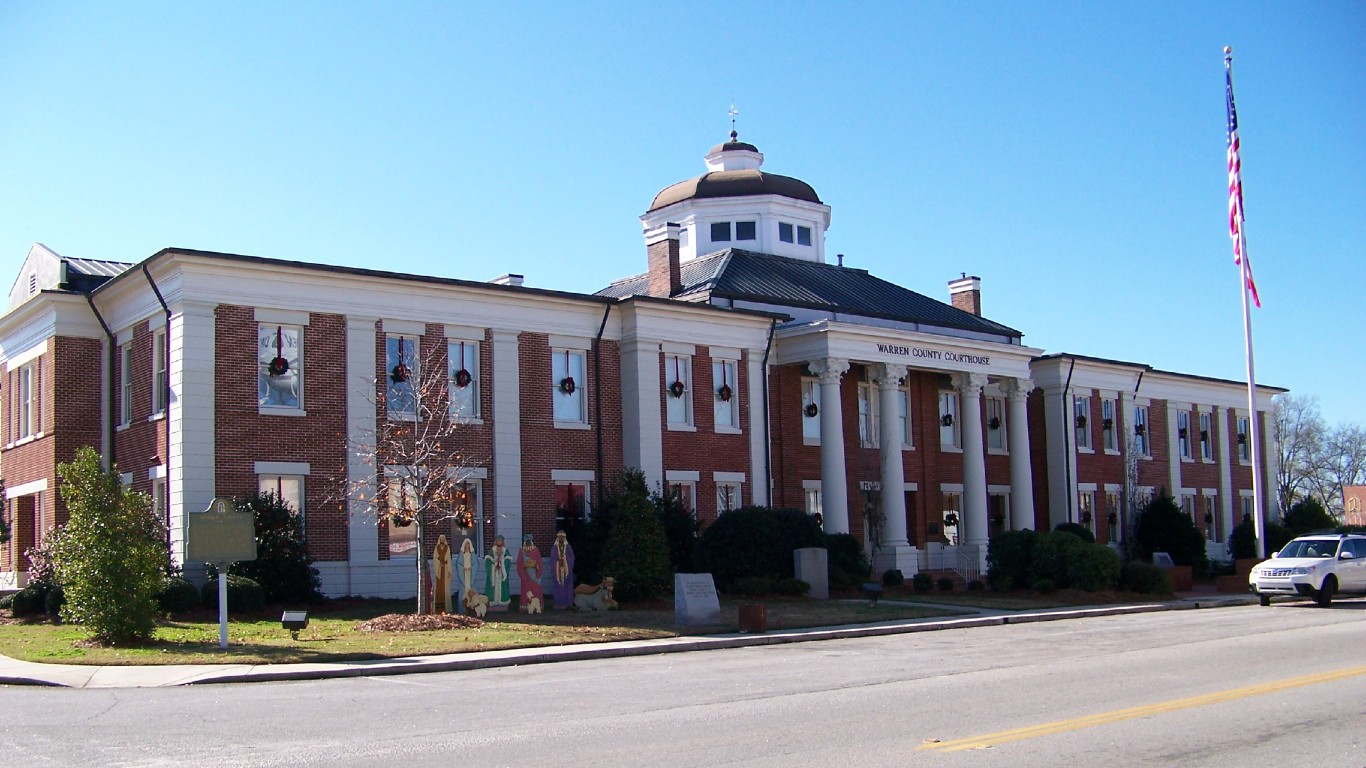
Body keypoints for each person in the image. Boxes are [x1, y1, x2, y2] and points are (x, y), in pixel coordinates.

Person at [516, 534, 544, 613]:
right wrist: (522, 574)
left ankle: (537, 607)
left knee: (536, 590)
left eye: (529, 541)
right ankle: (526, 606)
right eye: (526, 541)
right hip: (526, 575)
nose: (528, 542)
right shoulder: (522, 551)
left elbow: (539, 562)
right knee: (526, 590)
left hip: (534, 574)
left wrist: (538, 572)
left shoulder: (535, 550)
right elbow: (519, 563)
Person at [485, 534, 512, 609]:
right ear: (496, 541)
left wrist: (502, 563)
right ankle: (492, 604)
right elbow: (488, 561)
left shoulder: (506, 551)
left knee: (502, 587)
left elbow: (508, 561)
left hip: (501, 574)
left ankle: (503, 605)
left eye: (501, 541)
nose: (499, 542)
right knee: (492, 588)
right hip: (494, 573)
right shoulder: (492, 550)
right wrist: (494, 565)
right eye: (498, 541)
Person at [550, 530, 575, 609]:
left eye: (562, 537)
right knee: (558, 587)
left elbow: (571, 557)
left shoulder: (568, 547)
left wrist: (565, 560)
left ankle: (568, 603)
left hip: (566, 571)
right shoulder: (554, 548)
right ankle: (558, 604)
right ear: (557, 538)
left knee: (567, 587)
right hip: (557, 571)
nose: (561, 539)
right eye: (559, 537)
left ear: (564, 538)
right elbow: (552, 558)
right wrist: (558, 561)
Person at [432, 534, 453, 614]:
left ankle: (447, 608)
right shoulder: (436, 548)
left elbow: (449, 559)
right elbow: (435, 558)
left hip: (445, 568)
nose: (442, 540)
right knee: (438, 588)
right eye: (441, 539)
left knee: (446, 589)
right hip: (439, 570)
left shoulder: (447, 548)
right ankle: (437, 609)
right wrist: (439, 563)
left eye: (443, 539)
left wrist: (448, 568)